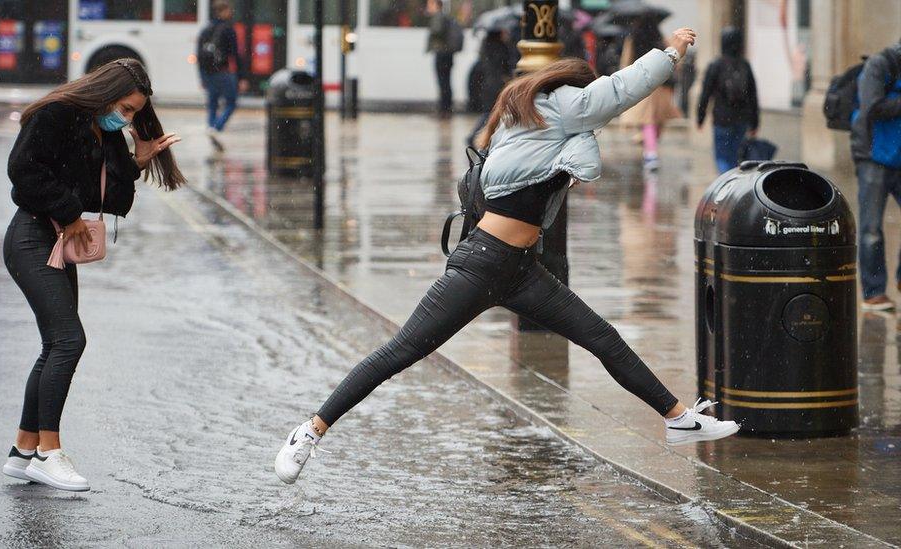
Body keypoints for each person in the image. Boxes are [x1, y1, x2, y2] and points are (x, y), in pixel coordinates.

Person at [275, 27, 740, 485]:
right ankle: (310, 431)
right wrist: (671, 53)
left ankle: (678, 418)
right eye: (586, 100)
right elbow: (618, 91)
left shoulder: (539, 128)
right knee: (403, 350)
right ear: (572, 91)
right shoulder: (557, 107)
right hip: (482, 261)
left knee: (601, 337)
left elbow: (583, 160)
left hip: (520, 270)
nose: (591, 113)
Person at [2, 58, 184, 491]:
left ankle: (23, 450)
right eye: (124, 107)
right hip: (31, 237)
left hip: (58, 243)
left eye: (134, 112)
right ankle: (49, 453)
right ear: (104, 92)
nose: (127, 117)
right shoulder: (56, 114)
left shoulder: (106, 133)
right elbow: (22, 172)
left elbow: (114, 202)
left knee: (55, 343)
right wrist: (67, 214)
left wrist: (137, 162)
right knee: (69, 340)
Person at [850, 40, 901, 311]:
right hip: (873, 156)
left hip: (899, 154)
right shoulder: (880, 64)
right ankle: (874, 292)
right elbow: (872, 106)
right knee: (871, 228)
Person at [619, 19, 682, 171]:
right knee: (657, 120)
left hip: (643, 84)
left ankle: (650, 152)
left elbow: (626, 61)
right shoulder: (661, 39)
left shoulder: (633, 39)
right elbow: (674, 59)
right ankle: (650, 148)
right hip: (661, 85)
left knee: (648, 120)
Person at [696, 27, 760, 174]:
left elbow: (705, 94)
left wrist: (700, 117)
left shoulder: (716, 65)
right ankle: (733, 183)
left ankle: (726, 183)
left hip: (722, 118)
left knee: (722, 157)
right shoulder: (745, 65)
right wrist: (755, 122)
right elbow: (753, 95)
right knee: (736, 157)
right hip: (741, 119)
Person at [198, 0, 249, 150]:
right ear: (224, 11)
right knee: (231, 102)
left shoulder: (206, 29)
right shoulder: (228, 29)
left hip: (209, 73)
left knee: (213, 102)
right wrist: (242, 77)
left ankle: (211, 127)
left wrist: (202, 77)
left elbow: (199, 57)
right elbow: (236, 55)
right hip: (223, 72)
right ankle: (216, 128)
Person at [467, 28, 512, 145]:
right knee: (490, 113)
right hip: (496, 85)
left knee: (489, 112)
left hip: (486, 84)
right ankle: (474, 136)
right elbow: (505, 66)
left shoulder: (486, 46)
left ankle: (476, 135)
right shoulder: (500, 47)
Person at [426, 0, 462, 118]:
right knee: (446, 82)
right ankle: (447, 108)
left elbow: (437, 31)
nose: (428, 7)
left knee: (443, 82)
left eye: (430, 4)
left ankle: (444, 110)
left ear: (437, 5)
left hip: (442, 54)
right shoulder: (446, 17)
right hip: (448, 54)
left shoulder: (438, 17)